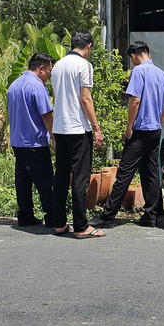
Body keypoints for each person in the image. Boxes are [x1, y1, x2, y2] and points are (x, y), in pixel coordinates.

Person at [90, 40, 164, 229]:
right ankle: (151, 216)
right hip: (155, 131)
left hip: (140, 131)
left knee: (124, 173)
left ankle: (107, 217)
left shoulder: (138, 71)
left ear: (133, 56)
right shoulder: (161, 74)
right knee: (151, 173)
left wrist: (129, 127)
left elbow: (135, 100)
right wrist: (159, 120)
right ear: (147, 53)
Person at [51, 30, 105, 238]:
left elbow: (56, 97)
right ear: (89, 46)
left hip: (60, 127)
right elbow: (85, 98)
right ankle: (81, 226)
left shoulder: (57, 65)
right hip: (78, 128)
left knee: (61, 176)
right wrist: (96, 127)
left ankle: (59, 223)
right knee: (80, 178)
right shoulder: (84, 65)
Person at [6, 52, 56, 227]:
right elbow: (46, 115)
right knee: (45, 180)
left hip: (17, 140)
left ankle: (25, 214)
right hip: (34, 141)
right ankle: (53, 216)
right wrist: (54, 136)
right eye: (49, 70)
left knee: (23, 180)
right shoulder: (37, 87)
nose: (49, 75)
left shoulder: (14, 85)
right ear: (41, 68)